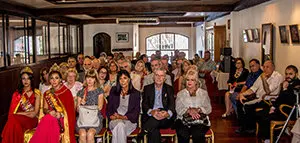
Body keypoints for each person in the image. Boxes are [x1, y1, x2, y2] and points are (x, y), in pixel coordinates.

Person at [29, 63, 76, 143]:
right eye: (52, 78)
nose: (54, 80)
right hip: (51, 117)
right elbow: (44, 109)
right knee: (48, 119)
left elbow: (71, 112)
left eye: (56, 78)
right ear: (49, 80)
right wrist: (49, 112)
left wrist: (60, 114)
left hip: (63, 120)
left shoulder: (66, 92)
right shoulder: (47, 93)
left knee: (48, 120)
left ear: (61, 79)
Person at [236, 60, 283, 134]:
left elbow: (268, 91)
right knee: (239, 101)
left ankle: (251, 128)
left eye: (267, 67)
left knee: (248, 106)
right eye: (264, 67)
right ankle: (243, 126)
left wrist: (264, 79)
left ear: (273, 68)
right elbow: (253, 88)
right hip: (258, 98)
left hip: (268, 100)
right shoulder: (262, 75)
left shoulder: (277, 76)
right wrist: (242, 94)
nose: (265, 69)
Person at [257, 65, 300, 142]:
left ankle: (270, 138)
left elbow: (291, 99)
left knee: (267, 117)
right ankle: (266, 137)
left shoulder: (297, 85)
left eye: (290, 74)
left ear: (296, 74)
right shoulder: (286, 83)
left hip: (290, 110)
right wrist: (273, 106)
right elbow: (280, 98)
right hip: (280, 107)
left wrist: (285, 89)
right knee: (261, 113)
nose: (288, 76)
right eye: (286, 74)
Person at [1, 67, 41, 143]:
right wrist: (20, 114)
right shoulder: (17, 94)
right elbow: (12, 112)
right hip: (18, 119)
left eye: (28, 78)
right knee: (14, 122)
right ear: (21, 80)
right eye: (23, 78)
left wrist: (20, 113)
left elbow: (34, 113)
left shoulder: (36, 93)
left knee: (13, 119)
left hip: (32, 120)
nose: (26, 81)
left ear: (31, 80)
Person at [139, 68, 175, 143]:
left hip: (164, 118)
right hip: (151, 116)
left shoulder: (169, 88)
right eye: (157, 75)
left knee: (153, 122)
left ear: (164, 78)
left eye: (161, 76)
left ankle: (142, 133)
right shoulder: (147, 88)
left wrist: (167, 113)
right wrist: (152, 112)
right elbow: (144, 104)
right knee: (154, 130)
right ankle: (144, 131)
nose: (159, 78)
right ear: (153, 77)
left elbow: (172, 105)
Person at [175, 69, 211, 143]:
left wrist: (198, 110)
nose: (189, 82)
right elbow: (178, 109)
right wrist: (189, 110)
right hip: (183, 120)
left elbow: (209, 109)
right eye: (188, 80)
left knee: (197, 134)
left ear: (196, 81)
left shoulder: (203, 93)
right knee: (183, 134)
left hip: (200, 121)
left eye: (192, 80)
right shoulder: (180, 94)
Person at [107, 70, 141, 143]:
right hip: (115, 120)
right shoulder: (113, 90)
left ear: (129, 79)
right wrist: (111, 116)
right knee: (120, 125)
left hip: (129, 121)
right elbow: (109, 108)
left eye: (125, 78)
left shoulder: (136, 93)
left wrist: (122, 117)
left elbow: (136, 112)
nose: (122, 81)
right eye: (120, 78)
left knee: (120, 127)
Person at [76, 69, 105, 143]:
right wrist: (80, 104)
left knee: (90, 134)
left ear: (95, 79)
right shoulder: (81, 92)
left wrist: (86, 107)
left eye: (92, 78)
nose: (89, 80)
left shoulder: (99, 91)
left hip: (95, 119)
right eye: (88, 77)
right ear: (85, 79)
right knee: (82, 134)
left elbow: (100, 107)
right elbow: (77, 110)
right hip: (82, 120)